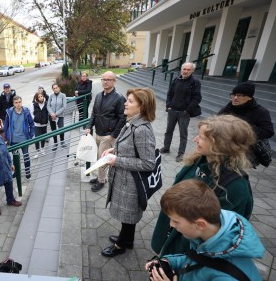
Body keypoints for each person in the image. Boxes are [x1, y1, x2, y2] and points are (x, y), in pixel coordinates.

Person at [151, 115, 256, 257]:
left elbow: (219, 239)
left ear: (221, 144)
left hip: (188, 256)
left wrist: (182, 263)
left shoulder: (235, 187)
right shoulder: (198, 161)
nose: (195, 140)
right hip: (170, 235)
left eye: (202, 138)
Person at [146, 179, 264, 281]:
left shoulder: (227, 277)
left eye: (176, 221)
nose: (171, 224)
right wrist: (169, 262)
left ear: (200, 225)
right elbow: (197, 259)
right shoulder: (212, 234)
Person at [99, 88, 157, 257]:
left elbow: (148, 163)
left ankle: (120, 246)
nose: (125, 103)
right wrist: (112, 151)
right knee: (128, 215)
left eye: (130, 101)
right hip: (125, 180)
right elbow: (128, 149)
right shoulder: (131, 122)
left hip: (131, 183)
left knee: (128, 214)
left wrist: (116, 160)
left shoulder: (142, 129)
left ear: (142, 106)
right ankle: (128, 240)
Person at [85, 71, 126, 192]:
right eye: (103, 79)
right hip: (98, 132)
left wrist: (113, 135)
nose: (105, 81)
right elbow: (94, 114)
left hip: (108, 135)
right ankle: (100, 177)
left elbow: (122, 118)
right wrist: (88, 126)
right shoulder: (98, 95)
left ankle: (101, 181)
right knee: (99, 158)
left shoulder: (119, 98)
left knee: (102, 159)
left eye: (109, 79)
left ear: (114, 81)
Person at [218, 82, 274, 166]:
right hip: (224, 146)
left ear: (249, 97)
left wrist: (243, 128)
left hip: (244, 150)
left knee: (233, 172)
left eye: (240, 95)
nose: (235, 98)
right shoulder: (227, 109)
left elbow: (268, 132)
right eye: (233, 95)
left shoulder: (260, 111)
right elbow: (215, 125)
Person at [160, 62, 202, 162]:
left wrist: (187, 110)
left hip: (184, 113)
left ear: (192, 71)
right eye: (184, 69)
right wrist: (168, 106)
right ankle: (166, 148)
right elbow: (169, 94)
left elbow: (197, 98)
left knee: (183, 134)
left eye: (188, 70)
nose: (186, 71)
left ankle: (181, 153)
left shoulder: (195, 82)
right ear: (181, 69)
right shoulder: (175, 80)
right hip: (172, 111)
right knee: (168, 131)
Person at [4, 95, 35, 180]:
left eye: (19, 102)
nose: (18, 104)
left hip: (24, 139)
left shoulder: (26, 111)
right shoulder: (9, 112)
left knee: (26, 156)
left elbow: (32, 124)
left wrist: (31, 135)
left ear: (22, 102)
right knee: (15, 158)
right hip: (14, 140)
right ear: (13, 103)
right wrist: (7, 136)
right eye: (16, 103)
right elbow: (6, 126)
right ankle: (16, 172)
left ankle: (27, 172)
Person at [47, 83, 67, 150]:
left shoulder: (63, 95)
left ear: (59, 88)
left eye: (56, 88)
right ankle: (55, 143)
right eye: (54, 88)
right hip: (51, 116)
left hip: (60, 116)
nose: (55, 89)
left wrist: (56, 114)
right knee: (53, 130)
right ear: (53, 89)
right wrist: (52, 114)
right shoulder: (51, 96)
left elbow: (64, 107)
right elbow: (48, 105)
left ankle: (62, 141)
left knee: (61, 128)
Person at [32, 92, 49, 157]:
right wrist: (35, 118)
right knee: (37, 137)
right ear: (36, 98)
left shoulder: (46, 103)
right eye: (38, 97)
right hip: (37, 124)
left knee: (43, 137)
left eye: (41, 96)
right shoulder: (34, 104)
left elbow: (48, 112)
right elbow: (31, 112)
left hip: (44, 123)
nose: (40, 98)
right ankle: (37, 151)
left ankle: (42, 148)